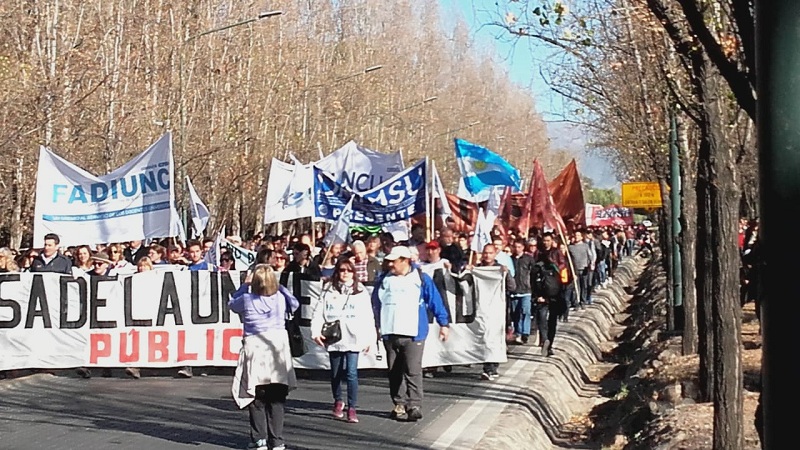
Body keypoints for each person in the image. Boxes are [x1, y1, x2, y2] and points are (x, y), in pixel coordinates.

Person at [372, 246, 450, 422]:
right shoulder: (384, 279)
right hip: (390, 332)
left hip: (414, 333)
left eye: (394, 261)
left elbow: (435, 301)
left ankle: (414, 404)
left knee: (413, 370)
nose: (390, 264)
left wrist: (443, 323)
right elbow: (376, 303)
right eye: (389, 261)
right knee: (394, 371)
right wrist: (376, 325)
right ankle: (399, 403)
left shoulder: (421, 279)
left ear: (405, 260)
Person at [230, 264, 299, 450]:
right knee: (276, 397)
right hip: (277, 348)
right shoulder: (280, 298)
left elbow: (231, 304)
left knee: (257, 395)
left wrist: (244, 286)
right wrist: (281, 288)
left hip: (256, 347)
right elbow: (295, 304)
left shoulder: (246, 299)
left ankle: (259, 439)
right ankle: (277, 440)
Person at [310, 259, 376, 424]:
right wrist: (315, 332)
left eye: (348, 270)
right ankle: (338, 400)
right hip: (335, 338)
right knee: (336, 373)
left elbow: (368, 316)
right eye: (341, 270)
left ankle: (352, 407)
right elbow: (318, 312)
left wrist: (370, 339)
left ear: (353, 273)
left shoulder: (360, 291)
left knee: (352, 373)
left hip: (354, 337)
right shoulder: (328, 290)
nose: (345, 273)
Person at [536, 232, 568, 357]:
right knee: (541, 318)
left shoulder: (557, 252)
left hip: (555, 291)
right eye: (544, 240)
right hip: (541, 291)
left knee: (552, 320)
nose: (546, 243)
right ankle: (544, 339)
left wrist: (553, 265)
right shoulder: (538, 253)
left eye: (548, 240)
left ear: (552, 241)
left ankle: (550, 344)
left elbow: (562, 266)